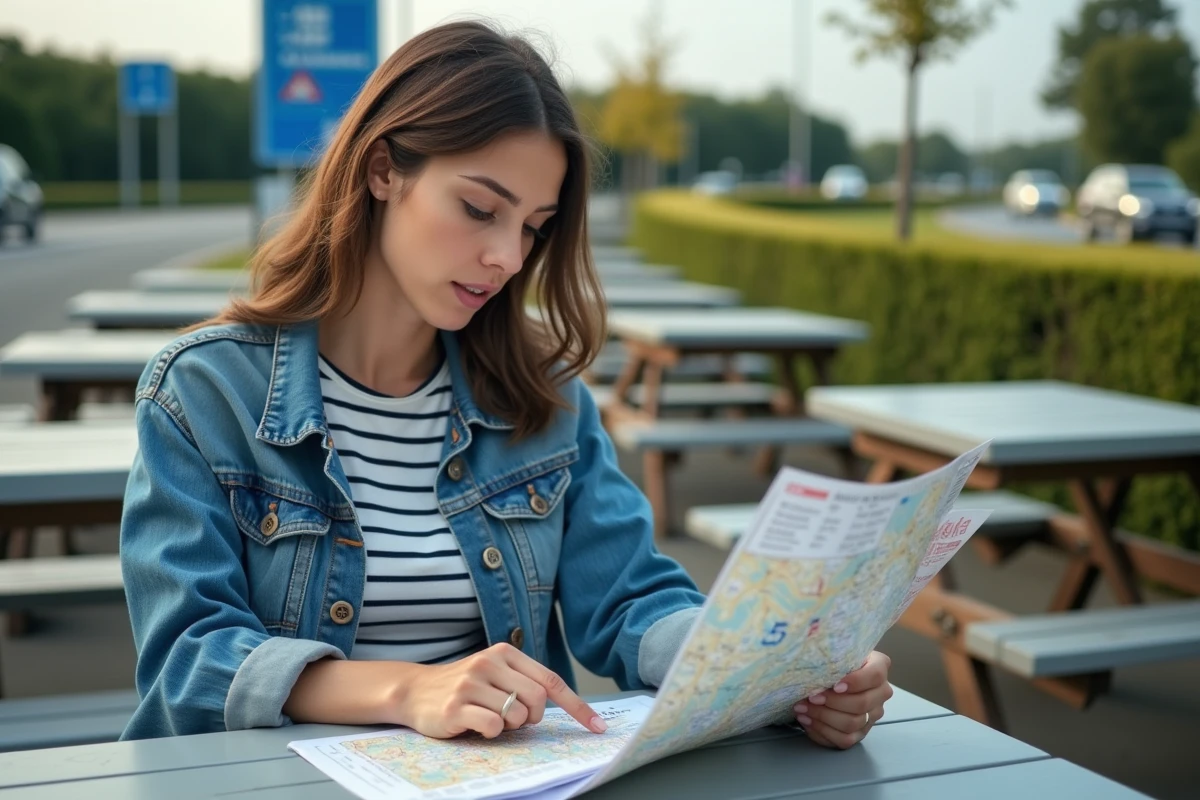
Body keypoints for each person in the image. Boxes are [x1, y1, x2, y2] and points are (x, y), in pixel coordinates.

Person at [119, 19, 893, 750]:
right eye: (480, 208)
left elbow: (630, 600)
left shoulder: (545, 400)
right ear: (383, 169)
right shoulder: (205, 393)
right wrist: (404, 691)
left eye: (532, 226)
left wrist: (777, 669)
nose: (507, 258)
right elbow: (190, 655)